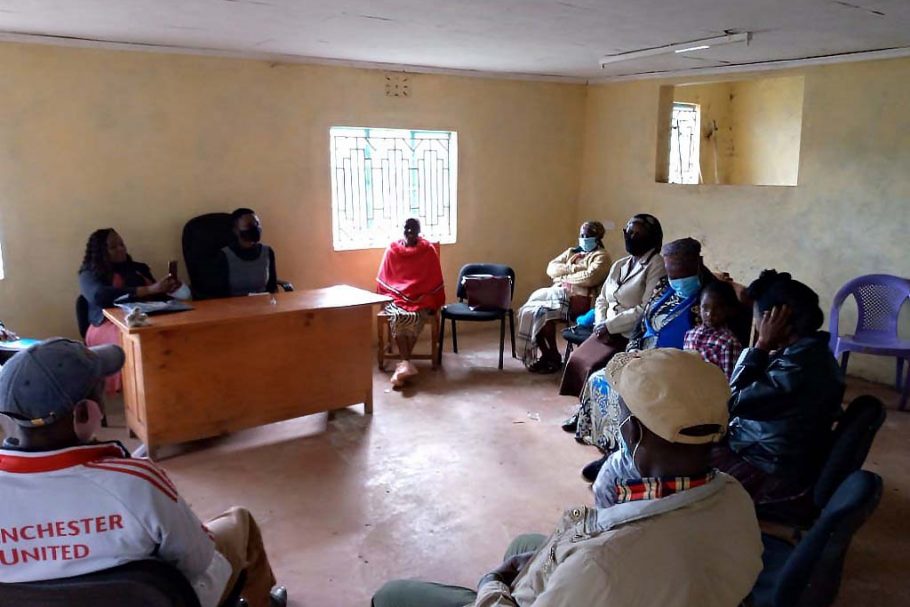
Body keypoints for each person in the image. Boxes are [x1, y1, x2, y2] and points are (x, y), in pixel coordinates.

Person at [372, 349, 763, 607]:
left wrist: (494, 584)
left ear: (633, 432)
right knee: (524, 545)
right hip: (664, 583)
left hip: (608, 578)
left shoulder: (603, 565)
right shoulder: (734, 496)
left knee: (392, 596)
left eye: (622, 413)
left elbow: (606, 566)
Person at [0, 338, 287, 607]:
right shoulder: (135, 482)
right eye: (100, 390)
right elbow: (197, 562)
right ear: (84, 412)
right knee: (239, 522)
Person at [570, 237, 716, 479]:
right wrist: (633, 349)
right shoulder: (663, 287)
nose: (676, 281)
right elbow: (643, 320)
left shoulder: (707, 298)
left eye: (681, 274)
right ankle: (611, 450)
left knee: (629, 393)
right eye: (671, 274)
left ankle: (632, 456)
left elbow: (704, 344)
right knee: (600, 379)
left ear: (697, 264)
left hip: (674, 367)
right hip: (643, 358)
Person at [712, 270, 845, 503]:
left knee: (676, 462)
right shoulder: (808, 354)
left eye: (757, 318)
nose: (755, 324)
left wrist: (761, 345)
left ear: (774, 319)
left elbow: (732, 401)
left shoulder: (797, 369)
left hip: (767, 471)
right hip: (772, 456)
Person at [558, 214, 666, 397]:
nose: (630, 236)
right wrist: (600, 324)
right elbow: (602, 299)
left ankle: (591, 410)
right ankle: (584, 409)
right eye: (628, 231)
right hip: (604, 328)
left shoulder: (656, 265)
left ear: (652, 237)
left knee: (596, 369)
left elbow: (646, 308)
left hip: (628, 333)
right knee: (577, 360)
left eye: (637, 233)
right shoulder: (620, 264)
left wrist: (610, 326)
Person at [78, 228, 181, 394]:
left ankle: (167, 385)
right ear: (101, 252)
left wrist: (168, 288)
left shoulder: (138, 268)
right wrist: (146, 290)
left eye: (121, 244)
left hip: (144, 316)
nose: (121, 249)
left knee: (172, 332)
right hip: (106, 323)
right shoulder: (89, 273)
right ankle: (141, 391)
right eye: (113, 247)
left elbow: (157, 294)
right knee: (136, 339)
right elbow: (99, 295)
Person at [516, 221, 611, 374]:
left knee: (543, 314)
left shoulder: (602, 257)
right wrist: (573, 268)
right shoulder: (572, 252)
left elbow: (590, 278)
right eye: (582, 235)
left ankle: (552, 355)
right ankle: (549, 354)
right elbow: (551, 268)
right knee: (530, 312)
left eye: (588, 235)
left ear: (598, 237)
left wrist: (563, 278)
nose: (584, 238)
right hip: (559, 292)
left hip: (580, 299)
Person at [376, 218, 446, 388]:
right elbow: (385, 279)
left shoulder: (428, 251)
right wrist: (393, 298)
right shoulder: (392, 250)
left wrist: (426, 299)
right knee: (398, 315)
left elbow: (434, 278)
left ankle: (404, 364)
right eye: (407, 228)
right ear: (402, 229)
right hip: (396, 297)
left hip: (421, 298)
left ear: (419, 231)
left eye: (413, 229)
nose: (409, 232)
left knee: (414, 316)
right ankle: (406, 363)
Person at [683, 280, 744, 379]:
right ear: (699, 308)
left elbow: (729, 382)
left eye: (717, 309)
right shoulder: (690, 334)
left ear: (728, 310)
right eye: (705, 308)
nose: (710, 314)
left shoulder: (729, 343)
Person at [214, 208, 278, 297]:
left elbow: (272, 287)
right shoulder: (224, 256)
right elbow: (221, 293)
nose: (255, 228)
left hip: (263, 304)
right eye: (249, 225)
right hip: (235, 306)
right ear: (236, 230)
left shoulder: (267, 252)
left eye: (257, 224)